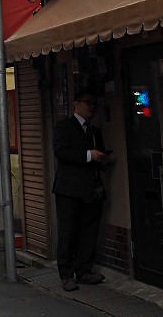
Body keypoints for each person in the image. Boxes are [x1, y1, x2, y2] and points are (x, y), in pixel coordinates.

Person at [53, 89, 111, 292]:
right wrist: (88, 155)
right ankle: (66, 274)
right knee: (68, 232)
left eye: (94, 104)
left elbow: (98, 155)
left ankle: (85, 270)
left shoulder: (95, 132)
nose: (92, 107)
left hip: (91, 189)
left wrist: (102, 160)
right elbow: (61, 152)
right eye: (88, 103)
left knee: (89, 232)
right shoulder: (64, 127)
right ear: (76, 104)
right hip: (69, 189)